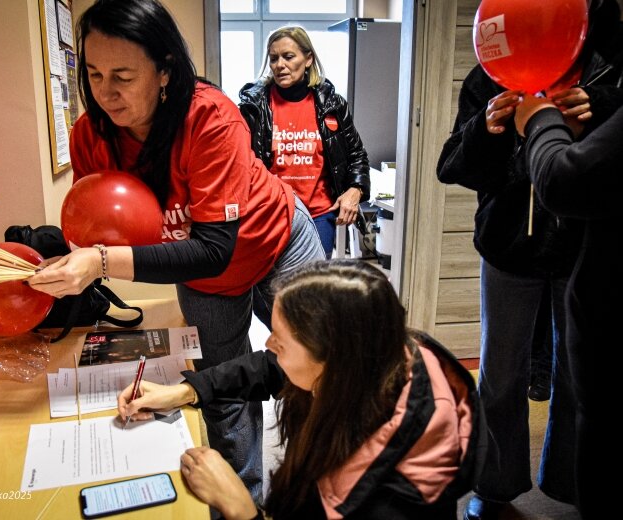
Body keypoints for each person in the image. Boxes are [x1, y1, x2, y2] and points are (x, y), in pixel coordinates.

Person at [27, 0, 325, 504]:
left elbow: (212, 248)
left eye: (123, 75)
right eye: (95, 74)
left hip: (275, 243)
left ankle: (318, 494)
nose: (106, 93)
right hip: (206, 277)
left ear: (165, 70)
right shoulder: (90, 136)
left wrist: (99, 262)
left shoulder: (210, 118)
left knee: (316, 372)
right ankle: (240, 504)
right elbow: (101, 225)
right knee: (222, 390)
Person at [436, 3, 622, 518]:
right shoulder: (488, 74)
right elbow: (451, 166)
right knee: (499, 375)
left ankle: (569, 485)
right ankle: (494, 488)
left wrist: (598, 113)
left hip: (580, 250)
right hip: (508, 250)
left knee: (579, 376)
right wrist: (490, 131)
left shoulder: (610, 66)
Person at [118, 259, 482, 519]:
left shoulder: (381, 499)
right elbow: (267, 367)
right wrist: (185, 391)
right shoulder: (379, 355)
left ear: (330, 362)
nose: (269, 344)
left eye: (282, 340)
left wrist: (243, 510)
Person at [238, 27, 370, 259]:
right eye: (274, 58)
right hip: (271, 213)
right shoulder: (254, 107)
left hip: (318, 214)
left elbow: (357, 155)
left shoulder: (331, 104)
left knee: (310, 289)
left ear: (308, 59)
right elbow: (239, 162)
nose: (280, 65)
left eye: (288, 57)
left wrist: (355, 190)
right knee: (271, 288)